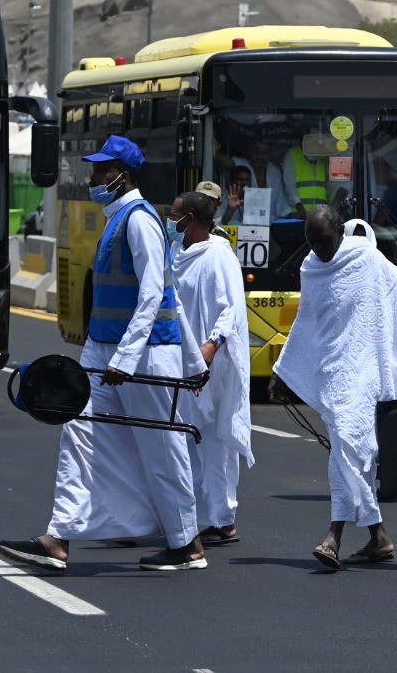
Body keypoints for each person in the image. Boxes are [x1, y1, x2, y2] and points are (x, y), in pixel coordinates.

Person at [0, 136, 208, 572]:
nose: (92, 178)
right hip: (106, 352)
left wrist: (132, 360)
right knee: (80, 435)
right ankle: (59, 538)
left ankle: (188, 545)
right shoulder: (116, 220)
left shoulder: (139, 221)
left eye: (100, 171)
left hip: (144, 355)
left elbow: (156, 294)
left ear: (123, 177)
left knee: (160, 448)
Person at [271, 204, 397, 569]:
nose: (318, 248)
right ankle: (377, 536)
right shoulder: (310, 268)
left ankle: (333, 537)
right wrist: (282, 370)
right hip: (333, 374)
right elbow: (305, 322)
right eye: (311, 242)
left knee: (349, 451)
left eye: (324, 240)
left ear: (340, 232)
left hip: (366, 374)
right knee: (351, 455)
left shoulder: (368, 261)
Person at [169, 191, 253, 546]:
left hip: (211, 363)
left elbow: (230, 308)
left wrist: (210, 346)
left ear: (189, 219)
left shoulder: (219, 254)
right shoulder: (176, 253)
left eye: (174, 215)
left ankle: (223, 519)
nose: (169, 221)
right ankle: (192, 517)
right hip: (180, 360)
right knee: (186, 438)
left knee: (216, 443)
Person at [234, 140, 286, 213]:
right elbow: (227, 162)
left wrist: (289, 213)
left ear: (270, 155)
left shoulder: (275, 172)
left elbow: (281, 200)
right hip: (244, 220)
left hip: (272, 220)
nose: (260, 157)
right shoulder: (243, 164)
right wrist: (213, 150)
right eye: (257, 152)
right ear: (250, 153)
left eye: (264, 153)